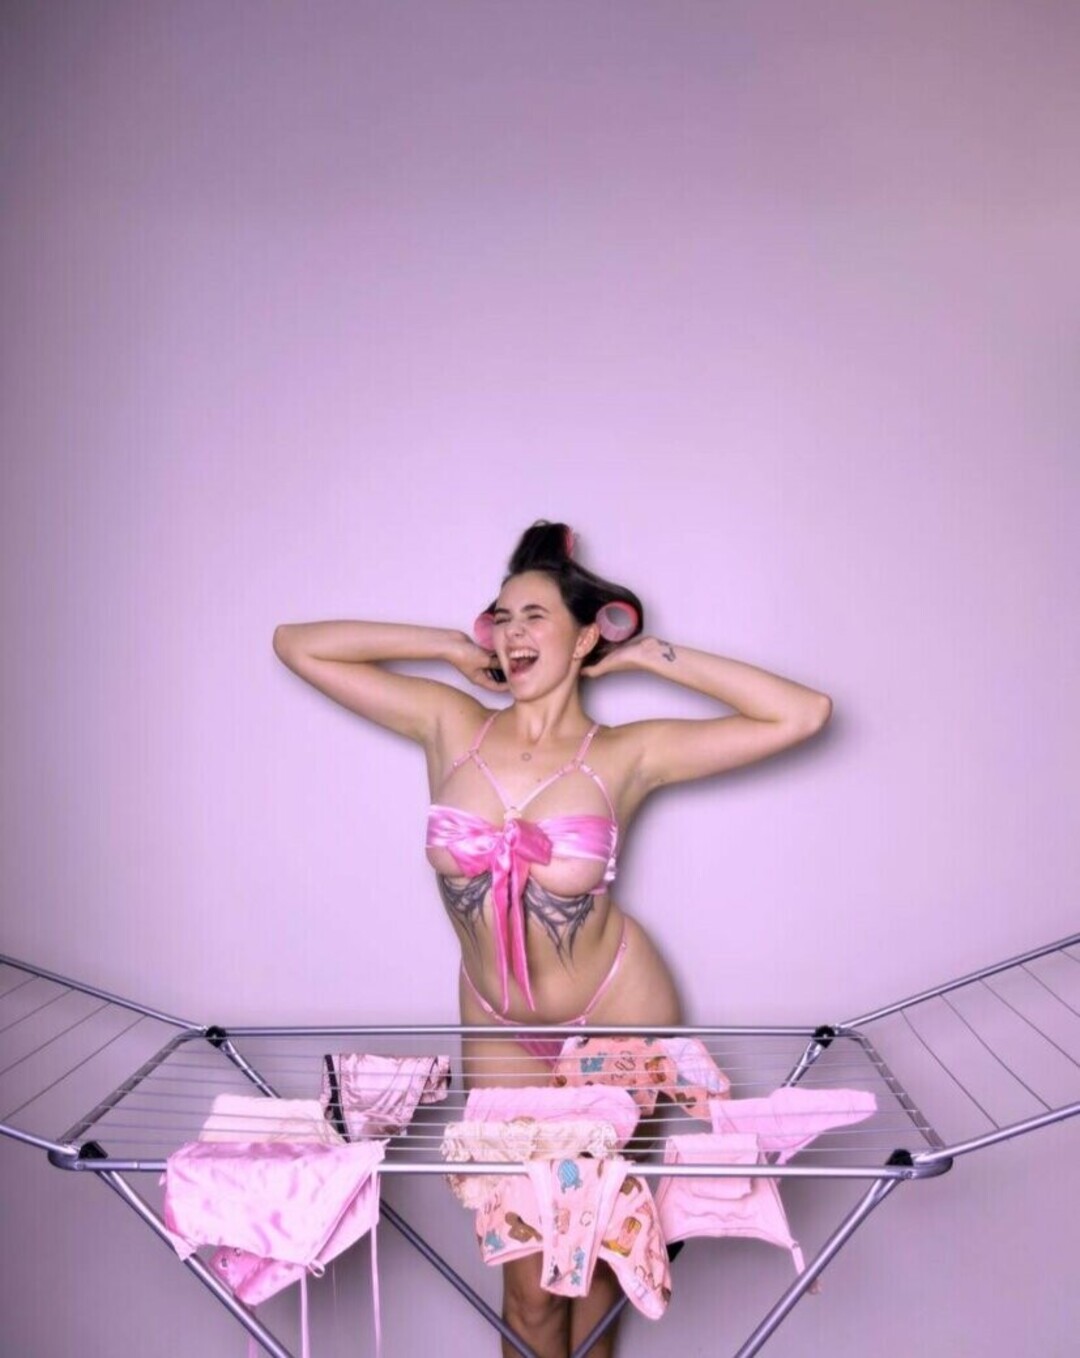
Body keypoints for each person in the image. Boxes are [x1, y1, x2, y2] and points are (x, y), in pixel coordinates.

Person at [272, 521, 831, 1358]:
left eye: (536, 616)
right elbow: (297, 644)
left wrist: (649, 658)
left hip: (616, 1014)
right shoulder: (449, 723)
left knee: (594, 1271)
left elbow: (803, 713)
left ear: (584, 636)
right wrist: (448, 648)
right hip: (499, 1026)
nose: (514, 633)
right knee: (530, 1290)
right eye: (502, 617)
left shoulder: (627, 752)